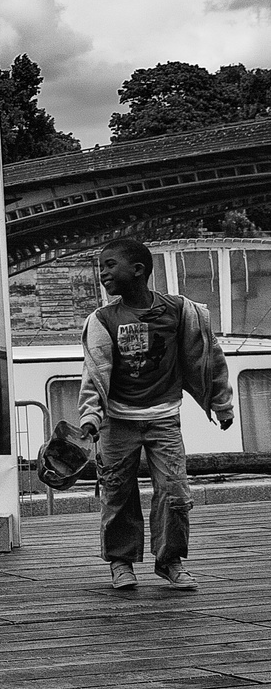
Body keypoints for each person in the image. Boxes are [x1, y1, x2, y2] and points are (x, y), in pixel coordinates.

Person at [80, 237, 232, 591]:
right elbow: (94, 372)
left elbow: (208, 359)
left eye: (110, 265)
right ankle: (121, 561)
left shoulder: (180, 311)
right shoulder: (102, 320)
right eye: (101, 267)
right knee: (117, 492)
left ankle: (170, 561)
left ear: (139, 270)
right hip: (117, 422)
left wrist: (221, 404)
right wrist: (90, 416)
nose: (103, 273)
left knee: (175, 491)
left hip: (164, 418)